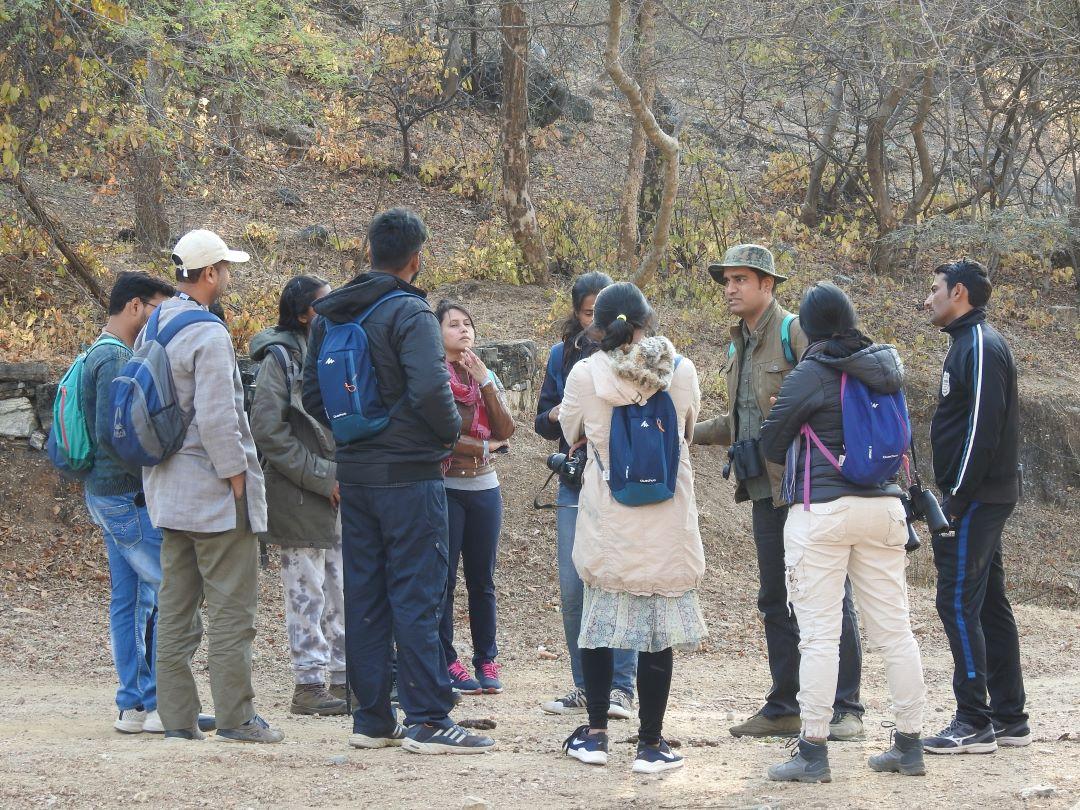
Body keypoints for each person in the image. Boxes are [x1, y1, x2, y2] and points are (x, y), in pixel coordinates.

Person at [302, 207, 494, 754]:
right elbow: (434, 394)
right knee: (417, 592)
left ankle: (371, 719)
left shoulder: (330, 314)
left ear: (369, 252)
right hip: (410, 477)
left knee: (364, 593)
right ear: (416, 259)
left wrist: (355, 437)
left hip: (356, 477)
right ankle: (429, 718)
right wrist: (436, 441)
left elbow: (313, 396)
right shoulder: (410, 313)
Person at [694, 244, 864, 741]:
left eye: (740, 280)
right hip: (763, 490)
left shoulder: (794, 331)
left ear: (768, 284)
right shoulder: (738, 343)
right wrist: (686, 432)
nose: (730, 289)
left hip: (808, 487)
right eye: (726, 281)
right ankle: (785, 705)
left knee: (829, 594)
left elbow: (827, 396)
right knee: (774, 598)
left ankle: (846, 707)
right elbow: (741, 420)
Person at [760, 281, 926, 782]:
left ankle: (812, 751)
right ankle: (910, 744)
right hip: (883, 507)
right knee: (896, 631)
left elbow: (772, 442)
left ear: (808, 328)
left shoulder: (812, 372)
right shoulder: (887, 368)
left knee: (818, 637)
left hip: (823, 511)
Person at [558, 282, 706, 774]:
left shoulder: (584, 374)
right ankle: (650, 743)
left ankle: (596, 733)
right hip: (667, 522)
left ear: (599, 325)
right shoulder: (681, 372)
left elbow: (572, 431)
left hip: (609, 521)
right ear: (647, 320)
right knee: (656, 635)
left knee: (598, 626)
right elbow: (687, 427)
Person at [145, 229, 283, 743]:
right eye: (224, 268)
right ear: (208, 274)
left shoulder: (157, 323)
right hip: (214, 494)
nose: (228, 275)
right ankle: (236, 717)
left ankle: (178, 718)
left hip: (168, 492)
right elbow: (220, 419)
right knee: (232, 611)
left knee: (176, 608)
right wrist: (238, 483)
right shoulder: (208, 334)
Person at [921, 259, 1028, 754]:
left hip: (977, 498)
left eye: (934, 289)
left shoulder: (982, 345)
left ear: (958, 292)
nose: (928, 299)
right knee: (987, 603)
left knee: (956, 601)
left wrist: (956, 501)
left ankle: (973, 720)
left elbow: (982, 430)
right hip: (978, 496)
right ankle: (1009, 717)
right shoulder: (966, 345)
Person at [535, 272, 640, 720]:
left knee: (622, 583)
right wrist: (558, 414)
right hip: (576, 482)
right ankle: (584, 685)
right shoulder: (564, 357)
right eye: (588, 313)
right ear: (577, 313)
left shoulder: (639, 360)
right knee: (574, 586)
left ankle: (621, 687)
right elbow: (545, 422)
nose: (598, 324)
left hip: (623, 484)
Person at [249, 275, 349, 717]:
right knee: (306, 592)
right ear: (305, 312)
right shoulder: (280, 358)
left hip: (343, 488)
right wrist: (323, 476)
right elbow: (267, 431)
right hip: (300, 491)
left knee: (344, 587)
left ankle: (348, 679)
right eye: (324, 303)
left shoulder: (334, 349)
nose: (334, 307)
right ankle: (309, 684)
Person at [80, 271, 175, 733]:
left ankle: (133, 705)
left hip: (103, 494)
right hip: (125, 495)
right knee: (166, 591)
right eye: (156, 309)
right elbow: (114, 434)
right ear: (136, 306)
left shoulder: (94, 351)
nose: (160, 319)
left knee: (128, 600)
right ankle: (158, 704)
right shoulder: (117, 358)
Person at [435, 301, 515, 696]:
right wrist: (485, 448)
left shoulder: (485, 375)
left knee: (482, 581)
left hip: (485, 490)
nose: (463, 330)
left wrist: (484, 381)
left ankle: (486, 658)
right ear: (438, 334)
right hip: (447, 488)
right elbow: (440, 436)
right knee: (445, 580)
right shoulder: (434, 374)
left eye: (467, 324)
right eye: (453, 325)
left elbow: (507, 429)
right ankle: (447, 659)